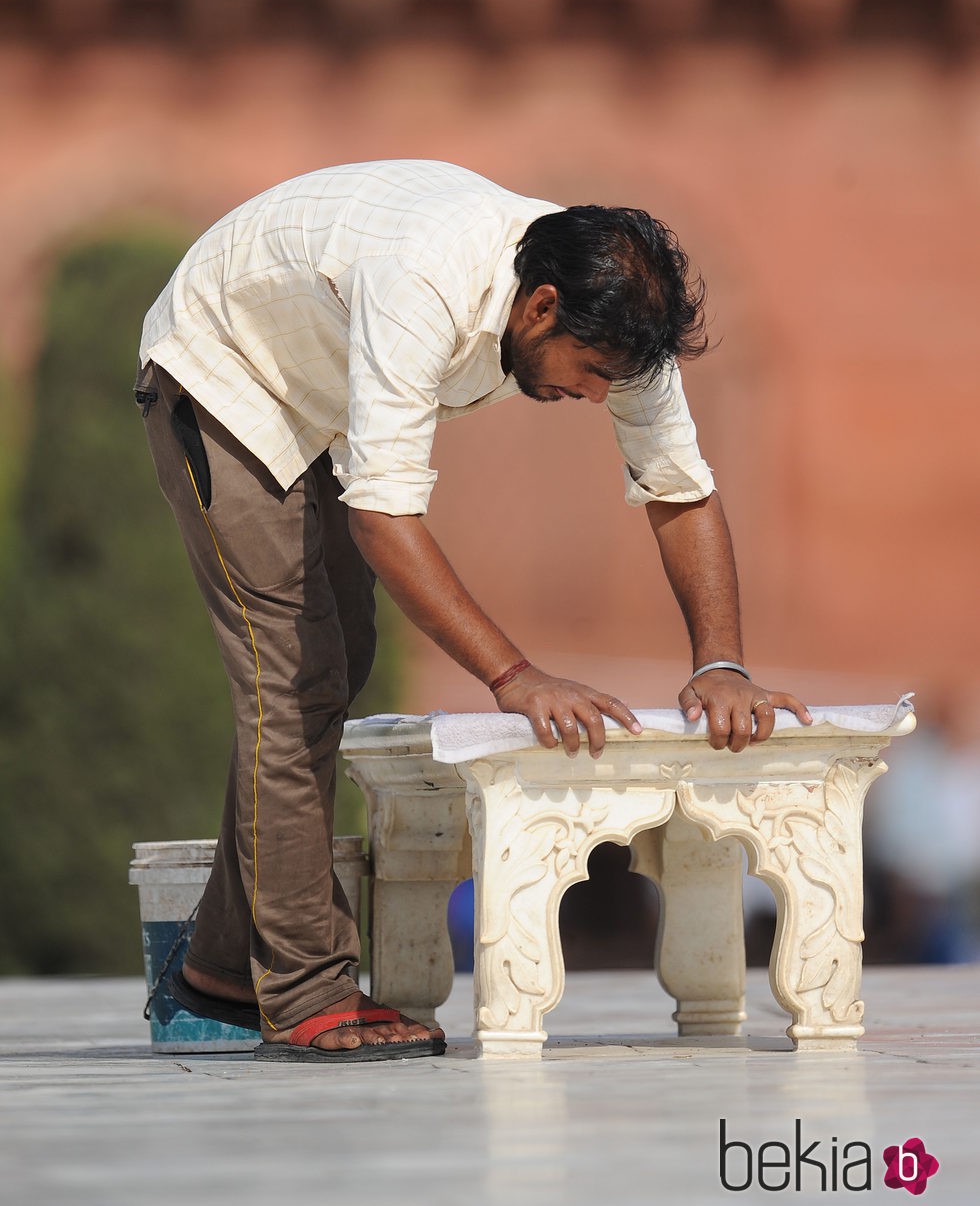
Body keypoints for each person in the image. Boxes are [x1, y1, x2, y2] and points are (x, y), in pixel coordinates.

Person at [134, 158, 810, 1063]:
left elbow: (679, 489)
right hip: (224, 373)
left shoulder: (615, 314)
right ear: (538, 309)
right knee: (295, 679)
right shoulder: (427, 278)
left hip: (319, 395)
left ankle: (223, 962)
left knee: (343, 653)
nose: (600, 396)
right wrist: (515, 677)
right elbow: (384, 516)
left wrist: (721, 662)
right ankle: (302, 991)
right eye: (592, 372)